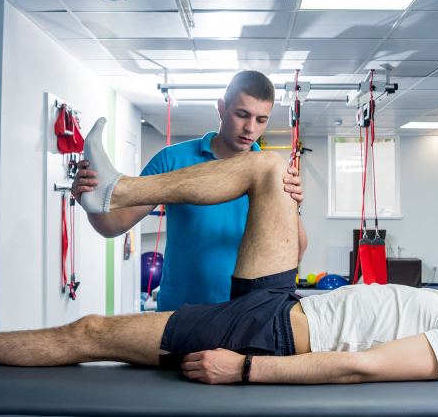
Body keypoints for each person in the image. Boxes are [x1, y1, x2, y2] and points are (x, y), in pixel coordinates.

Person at [0, 120, 438, 385]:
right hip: (283, 304)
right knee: (268, 167)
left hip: (265, 334)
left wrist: (248, 373)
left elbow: (360, 365)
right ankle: (115, 187)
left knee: (91, 334)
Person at [72, 70, 308, 311]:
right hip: (179, 313)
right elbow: (113, 225)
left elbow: (295, 254)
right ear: (221, 108)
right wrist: (90, 197)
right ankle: (113, 188)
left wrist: (293, 207)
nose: (250, 128)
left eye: (261, 120)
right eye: (242, 114)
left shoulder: (276, 174)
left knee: (269, 166)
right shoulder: (171, 159)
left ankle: (118, 185)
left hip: (243, 315)